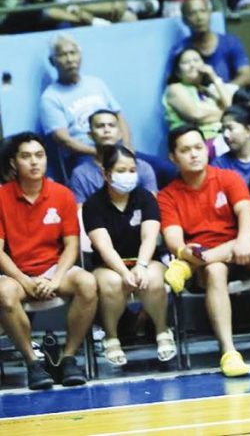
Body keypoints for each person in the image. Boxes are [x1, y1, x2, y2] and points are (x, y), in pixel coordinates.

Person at [159, 125, 250, 376]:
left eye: (198, 148)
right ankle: (229, 352)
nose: (194, 154)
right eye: (185, 150)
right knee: (214, 269)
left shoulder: (228, 178)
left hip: (243, 254)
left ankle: (189, 266)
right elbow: (173, 238)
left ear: (207, 150)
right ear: (173, 157)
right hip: (203, 265)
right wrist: (182, 251)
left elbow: (246, 211)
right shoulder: (168, 195)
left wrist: (244, 240)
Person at [0, 132, 97, 390]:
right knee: (3, 293)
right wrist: (24, 280)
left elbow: (72, 245)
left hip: (55, 270)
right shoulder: (1, 196)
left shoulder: (62, 194)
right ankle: (33, 363)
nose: (34, 162)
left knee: (87, 282)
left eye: (39, 156)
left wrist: (54, 279)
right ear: (13, 163)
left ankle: (68, 358)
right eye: (26, 156)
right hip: (16, 274)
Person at [83, 144, 175, 367]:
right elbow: (103, 246)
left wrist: (141, 266)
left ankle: (162, 331)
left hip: (145, 258)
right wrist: (124, 272)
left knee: (152, 279)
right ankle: (112, 337)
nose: (128, 176)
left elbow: (150, 237)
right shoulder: (93, 205)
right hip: (109, 264)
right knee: (113, 283)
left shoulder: (146, 198)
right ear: (106, 174)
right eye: (121, 171)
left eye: (132, 170)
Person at [41, 33, 132, 168]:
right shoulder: (50, 97)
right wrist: (99, 153)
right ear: (52, 61)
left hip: (116, 149)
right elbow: (64, 140)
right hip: (84, 156)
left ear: (80, 55)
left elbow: (119, 117)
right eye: (62, 55)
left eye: (73, 53)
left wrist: (127, 147)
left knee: (163, 168)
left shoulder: (96, 83)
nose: (70, 59)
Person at [69, 109, 158, 203]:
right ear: (90, 135)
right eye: (100, 126)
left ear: (120, 134)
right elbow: (80, 211)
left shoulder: (142, 168)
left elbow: (152, 206)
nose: (107, 130)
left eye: (112, 125)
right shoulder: (80, 174)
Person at [172, 0, 250, 88]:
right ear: (184, 20)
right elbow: (175, 84)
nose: (199, 18)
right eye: (192, 13)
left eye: (203, 11)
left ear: (209, 14)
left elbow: (247, 76)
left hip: (230, 97)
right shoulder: (181, 49)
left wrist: (225, 91)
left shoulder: (230, 42)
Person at [163, 48, 232, 139]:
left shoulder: (205, 90)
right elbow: (196, 114)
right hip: (193, 142)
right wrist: (224, 113)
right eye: (186, 62)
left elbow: (230, 106)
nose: (192, 65)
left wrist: (214, 77)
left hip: (219, 137)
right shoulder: (175, 88)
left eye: (196, 60)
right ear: (178, 72)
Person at [212, 103, 250, 182]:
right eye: (223, 130)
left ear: (248, 130)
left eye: (230, 128)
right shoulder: (219, 165)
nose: (226, 135)